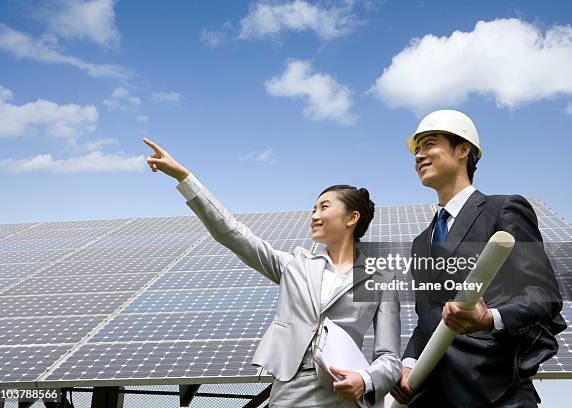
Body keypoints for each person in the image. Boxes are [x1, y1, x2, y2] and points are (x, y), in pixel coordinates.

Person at [143, 137, 401, 407]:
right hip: (290, 390)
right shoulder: (294, 265)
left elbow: (389, 357)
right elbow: (232, 233)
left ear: (352, 218)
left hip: (344, 394)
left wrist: (365, 380)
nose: (313, 215)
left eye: (324, 207)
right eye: (313, 209)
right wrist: (184, 177)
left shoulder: (381, 279)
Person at [390, 110, 567, 407]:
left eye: (429, 144)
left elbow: (543, 295)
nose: (419, 156)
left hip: (496, 392)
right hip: (431, 394)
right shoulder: (422, 242)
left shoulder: (504, 210)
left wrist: (488, 319)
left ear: (463, 150)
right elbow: (427, 319)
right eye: (416, 150)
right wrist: (408, 364)